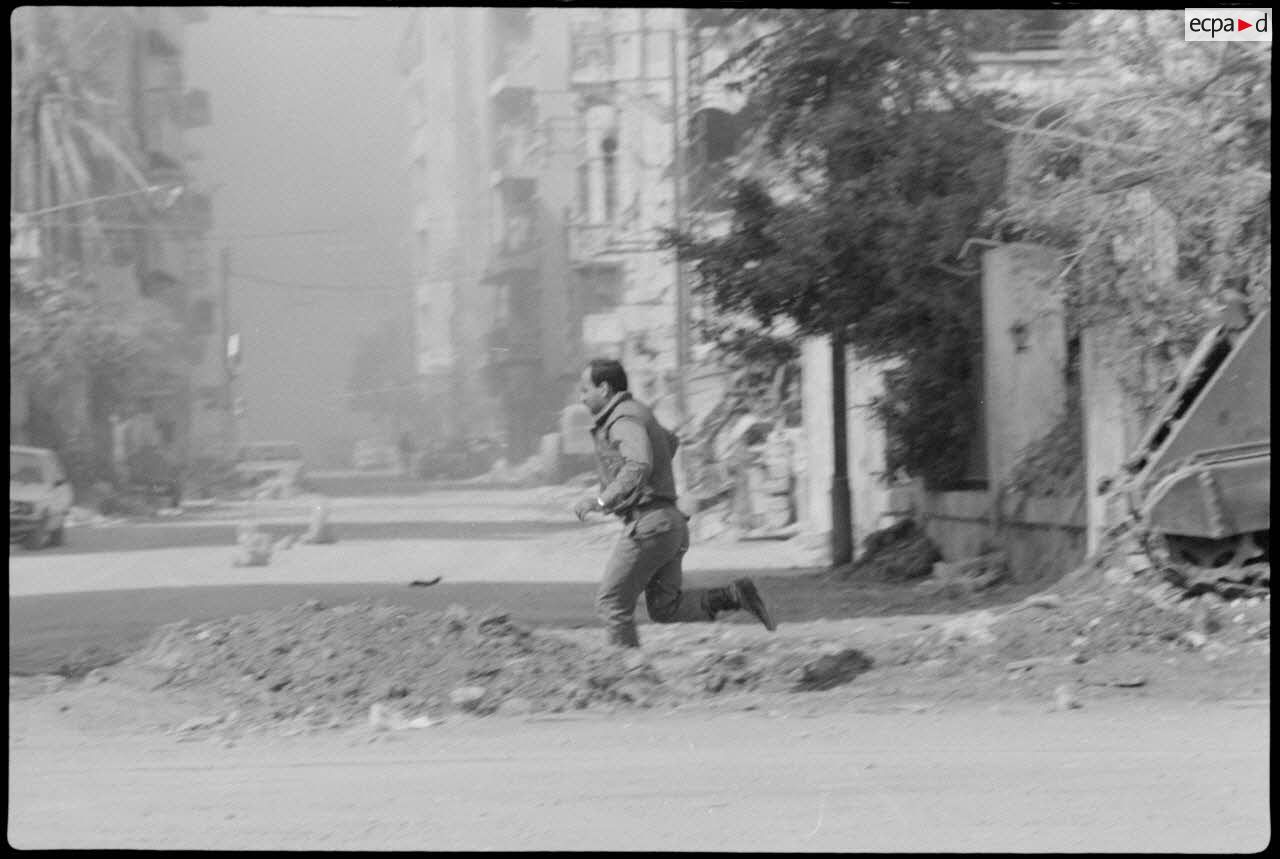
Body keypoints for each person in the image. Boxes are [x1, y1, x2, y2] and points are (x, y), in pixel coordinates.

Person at [572, 358, 776, 648]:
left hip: (650, 526)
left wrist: (603, 500)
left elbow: (638, 463)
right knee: (664, 607)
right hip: (669, 523)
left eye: (584, 390)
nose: (581, 398)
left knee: (612, 602)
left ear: (604, 388)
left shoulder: (622, 419)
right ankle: (733, 596)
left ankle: (627, 676)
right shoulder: (639, 412)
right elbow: (669, 444)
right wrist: (657, 485)